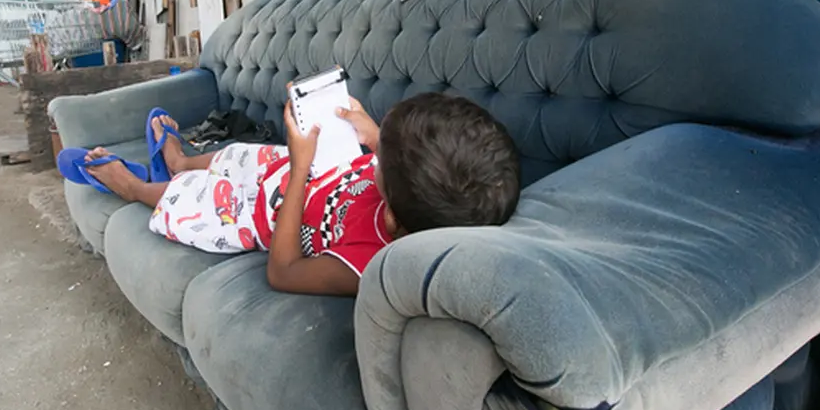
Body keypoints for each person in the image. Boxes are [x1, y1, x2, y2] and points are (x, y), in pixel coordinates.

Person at [84, 91, 521, 296]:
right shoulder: (423, 195)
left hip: (261, 214)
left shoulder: (367, 264)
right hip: (296, 169)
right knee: (236, 155)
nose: (376, 149)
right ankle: (178, 163)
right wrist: (369, 134)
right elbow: (393, 161)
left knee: (197, 203)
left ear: (393, 199)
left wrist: (298, 170)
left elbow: (284, 272)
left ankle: (135, 187)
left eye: (381, 152)